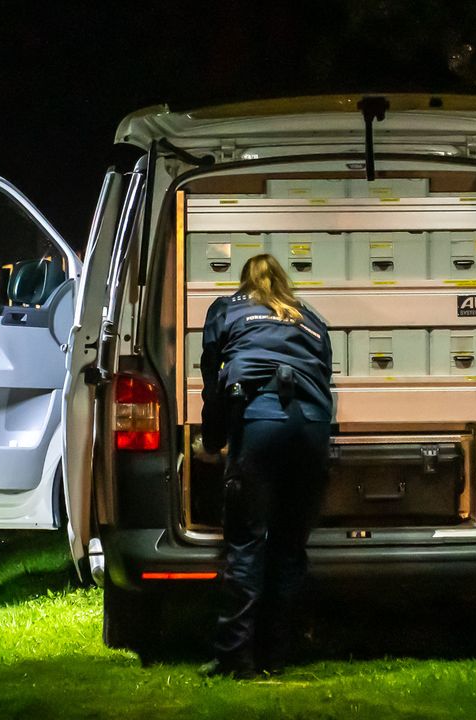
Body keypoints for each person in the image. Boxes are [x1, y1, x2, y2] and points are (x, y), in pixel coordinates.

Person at [194, 253, 334, 678]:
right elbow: (325, 375)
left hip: (260, 424)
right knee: (289, 548)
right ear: (283, 281)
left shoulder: (227, 309)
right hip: (311, 429)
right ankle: (276, 656)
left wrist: (213, 440)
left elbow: (213, 382)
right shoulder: (311, 318)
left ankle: (236, 659)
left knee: (246, 543)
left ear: (245, 282)